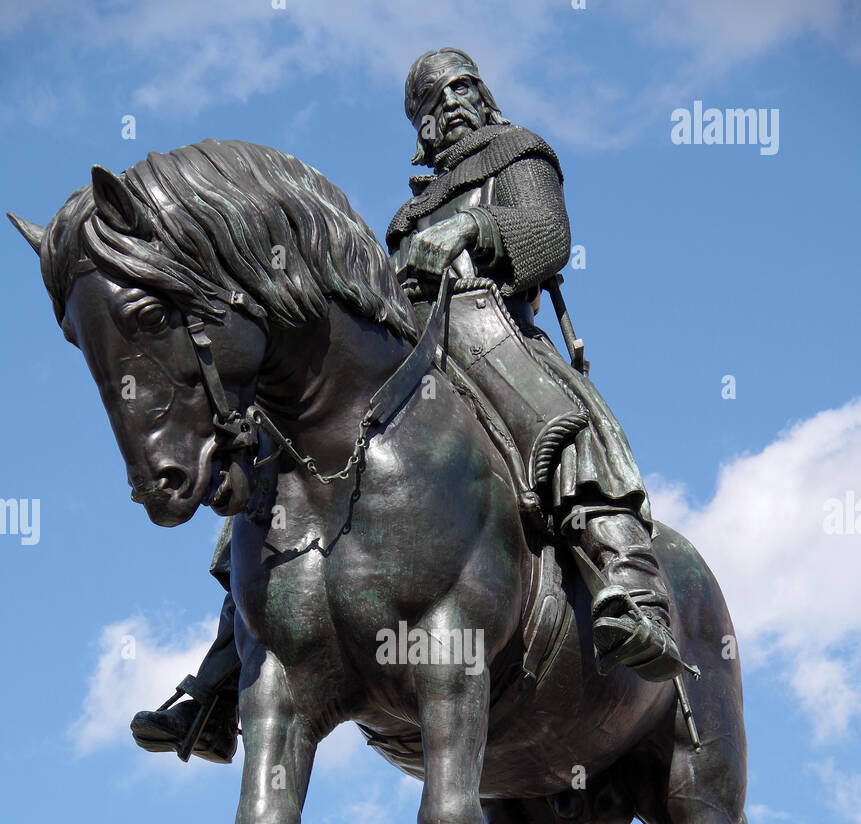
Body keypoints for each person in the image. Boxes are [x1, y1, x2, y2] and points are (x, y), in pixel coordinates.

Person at [131, 47, 686, 764]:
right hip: (410, 355)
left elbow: (549, 238)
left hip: (492, 331)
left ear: (483, 95)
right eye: (431, 99)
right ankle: (219, 683)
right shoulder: (406, 213)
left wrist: (473, 231)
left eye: (461, 87)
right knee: (277, 475)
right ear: (419, 125)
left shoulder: (517, 152)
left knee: (555, 419)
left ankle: (631, 587)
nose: (450, 102)